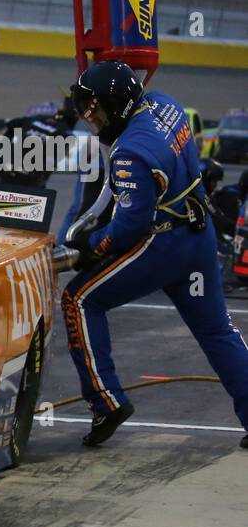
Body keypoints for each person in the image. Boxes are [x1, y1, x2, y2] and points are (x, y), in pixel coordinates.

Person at [61, 60, 248, 448]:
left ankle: (106, 402)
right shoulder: (166, 104)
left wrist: (89, 248)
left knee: (78, 300)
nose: (92, 119)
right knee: (218, 331)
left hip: (163, 245)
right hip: (200, 236)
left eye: (97, 109)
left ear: (119, 103)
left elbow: (130, 228)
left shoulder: (128, 153)